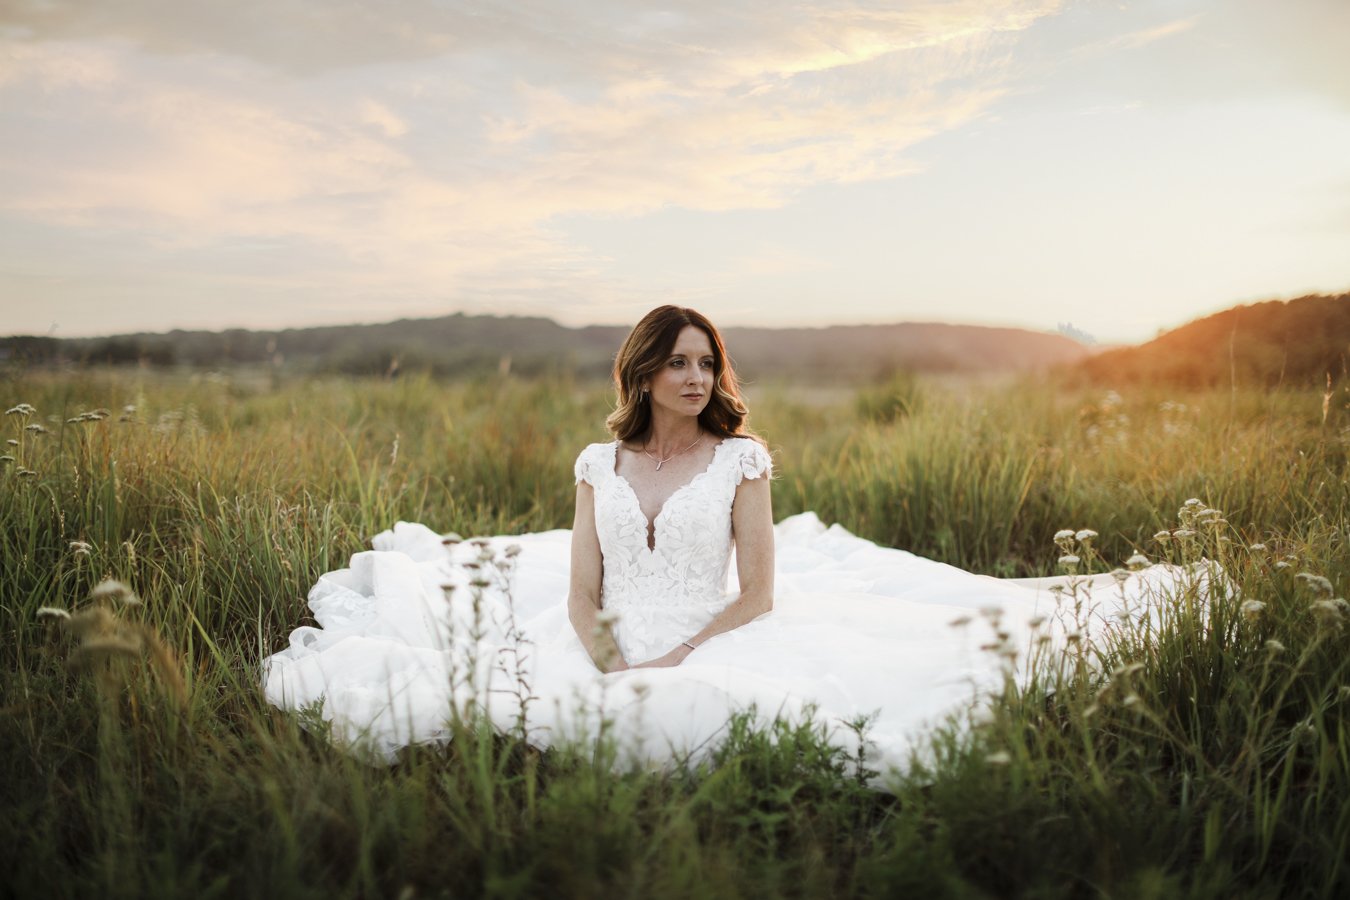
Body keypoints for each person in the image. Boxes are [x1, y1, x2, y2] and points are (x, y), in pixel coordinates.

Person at [262, 306, 1201, 776]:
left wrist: (680, 653)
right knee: (513, 706)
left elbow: (757, 593)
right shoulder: (599, 464)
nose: (696, 378)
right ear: (642, 372)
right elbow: (583, 591)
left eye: (707, 364)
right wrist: (605, 657)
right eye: (678, 363)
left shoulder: (741, 462)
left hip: (718, 627)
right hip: (604, 636)